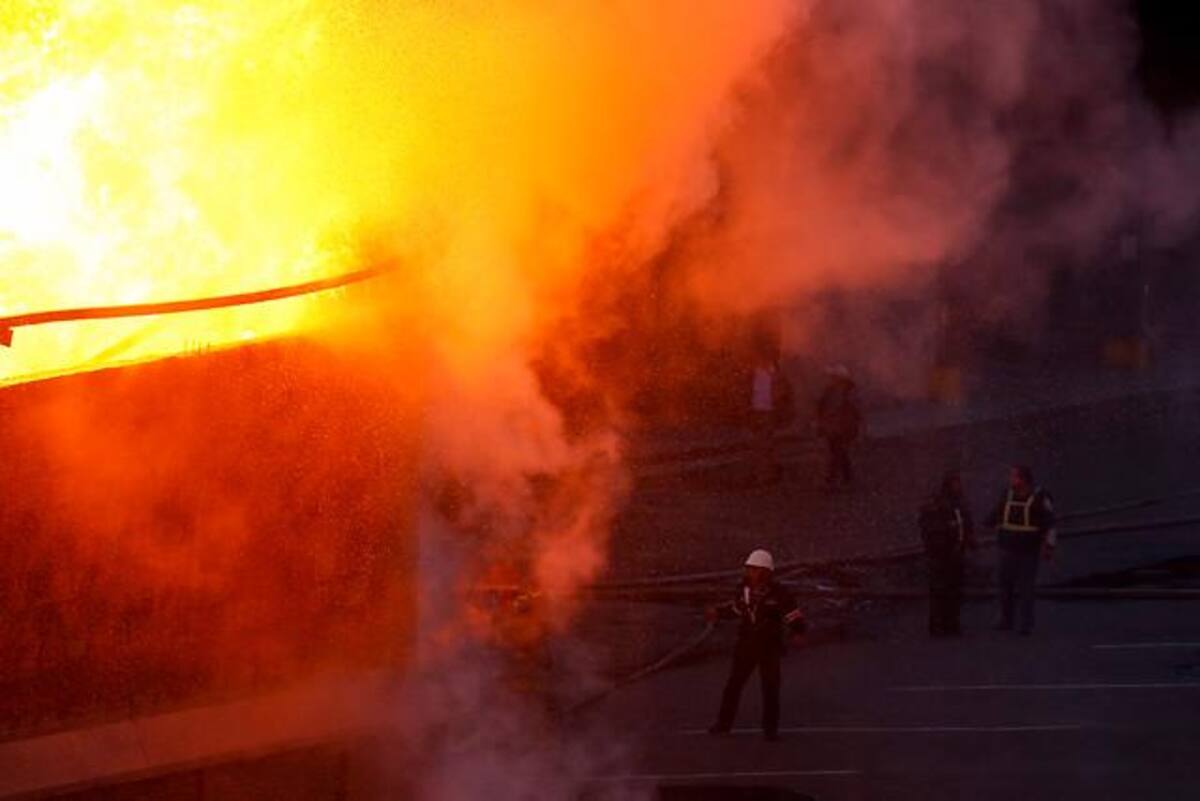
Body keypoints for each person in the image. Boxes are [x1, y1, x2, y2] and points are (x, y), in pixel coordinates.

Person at [706, 549, 806, 741]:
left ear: (765, 571)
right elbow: (738, 609)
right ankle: (723, 724)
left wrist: (798, 632)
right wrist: (718, 612)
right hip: (746, 644)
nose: (750, 572)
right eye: (749, 568)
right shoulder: (743, 589)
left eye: (754, 568)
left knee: (770, 688)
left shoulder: (779, 593)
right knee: (734, 685)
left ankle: (770, 730)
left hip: (770, 646)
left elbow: (792, 614)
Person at [984, 465, 1057, 635]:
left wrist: (1049, 546)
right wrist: (985, 523)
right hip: (1006, 547)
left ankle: (1025, 624)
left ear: (1023, 479)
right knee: (1005, 585)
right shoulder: (1007, 494)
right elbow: (996, 513)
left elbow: (1050, 523)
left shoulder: (1040, 496)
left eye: (1014, 476)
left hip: (1028, 550)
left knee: (1026, 587)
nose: (1011, 479)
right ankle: (1005, 619)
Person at [918, 471, 976, 637]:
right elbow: (931, 530)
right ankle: (939, 626)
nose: (959, 487)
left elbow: (966, 524)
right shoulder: (938, 506)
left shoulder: (958, 505)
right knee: (941, 590)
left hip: (954, 555)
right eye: (956, 483)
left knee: (953, 591)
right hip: (941, 556)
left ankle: (950, 624)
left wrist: (968, 540)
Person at [815, 365, 861, 489]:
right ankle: (847, 477)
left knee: (836, 454)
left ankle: (831, 481)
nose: (831, 379)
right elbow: (821, 409)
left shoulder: (849, 393)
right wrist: (821, 424)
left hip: (842, 428)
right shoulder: (830, 392)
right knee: (840, 453)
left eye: (833, 377)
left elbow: (855, 412)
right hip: (833, 427)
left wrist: (855, 428)